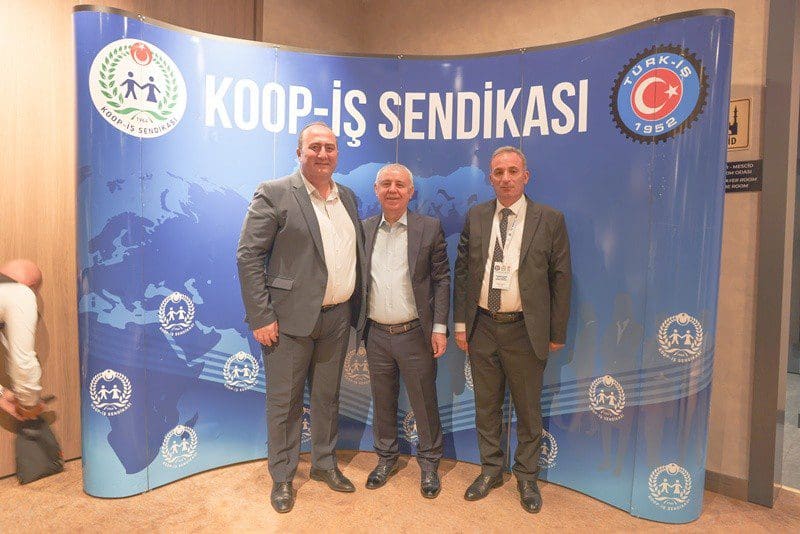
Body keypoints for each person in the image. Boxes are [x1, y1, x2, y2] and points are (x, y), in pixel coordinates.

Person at [236, 122, 366, 513]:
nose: (323, 154)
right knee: (285, 403)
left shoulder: (347, 197)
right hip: (287, 322)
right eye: (315, 147)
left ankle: (325, 464)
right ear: (299, 152)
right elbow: (248, 255)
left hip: (337, 319)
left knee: (328, 398)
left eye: (330, 147)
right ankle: (282, 477)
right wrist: (261, 316)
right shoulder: (275, 192)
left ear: (337, 153)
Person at [453, 146, 571, 514]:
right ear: (490, 178)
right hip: (483, 326)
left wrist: (557, 332)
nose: (506, 178)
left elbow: (561, 278)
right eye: (499, 172)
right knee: (486, 406)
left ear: (525, 176)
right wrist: (462, 324)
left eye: (513, 171)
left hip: (525, 329)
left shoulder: (549, 219)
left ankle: (526, 476)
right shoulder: (476, 216)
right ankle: (490, 470)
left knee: (528, 409)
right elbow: (463, 272)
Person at [361, 163, 450, 498]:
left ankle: (429, 464)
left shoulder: (429, 228)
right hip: (376, 334)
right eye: (386, 183)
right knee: (383, 400)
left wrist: (439, 327)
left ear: (411, 192)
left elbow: (442, 280)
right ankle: (386, 458)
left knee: (424, 402)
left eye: (400, 184)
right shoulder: (364, 229)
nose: (393, 190)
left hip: (415, 333)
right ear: (376, 190)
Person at [0, 259, 45, 421]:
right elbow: (22, 362)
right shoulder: (20, 292)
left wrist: (1, 394)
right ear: (31, 286)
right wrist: (29, 404)